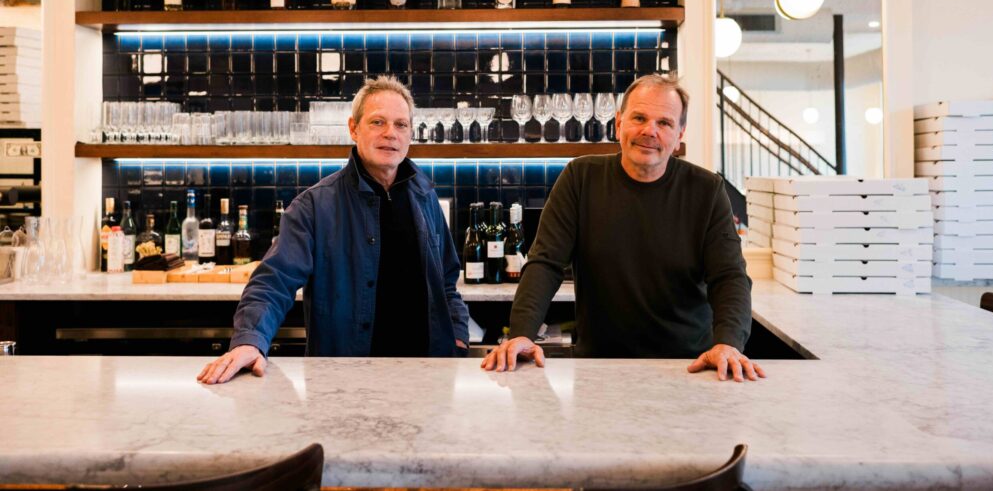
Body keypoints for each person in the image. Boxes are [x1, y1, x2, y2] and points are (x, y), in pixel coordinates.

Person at [481, 74, 765, 382]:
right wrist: (522, 332)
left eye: (665, 123)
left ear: (680, 133)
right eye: (639, 118)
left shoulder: (706, 190)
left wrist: (728, 343)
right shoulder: (580, 178)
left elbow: (729, 277)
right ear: (619, 123)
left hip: (689, 367)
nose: (649, 131)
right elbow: (545, 264)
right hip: (599, 368)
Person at [198, 76, 469, 384]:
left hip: (426, 379)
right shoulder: (314, 206)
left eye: (401, 124)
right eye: (378, 122)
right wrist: (250, 340)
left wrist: (458, 338)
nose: (390, 134)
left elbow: (447, 282)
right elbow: (274, 281)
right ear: (354, 129)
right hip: (346, 382)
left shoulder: (425, 197)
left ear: (410, 134)